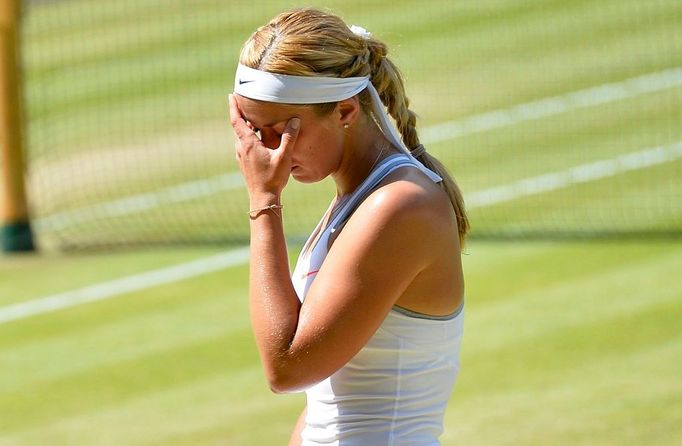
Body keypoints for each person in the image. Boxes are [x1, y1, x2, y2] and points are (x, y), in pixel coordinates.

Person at [228, 8, 469, 446]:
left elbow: (288, 369)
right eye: (250, 130)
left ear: (343, 111)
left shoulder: (399, 206)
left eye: (278, 131)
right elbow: (327, 401)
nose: (260, 153)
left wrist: (264, 201)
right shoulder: (361, 199)